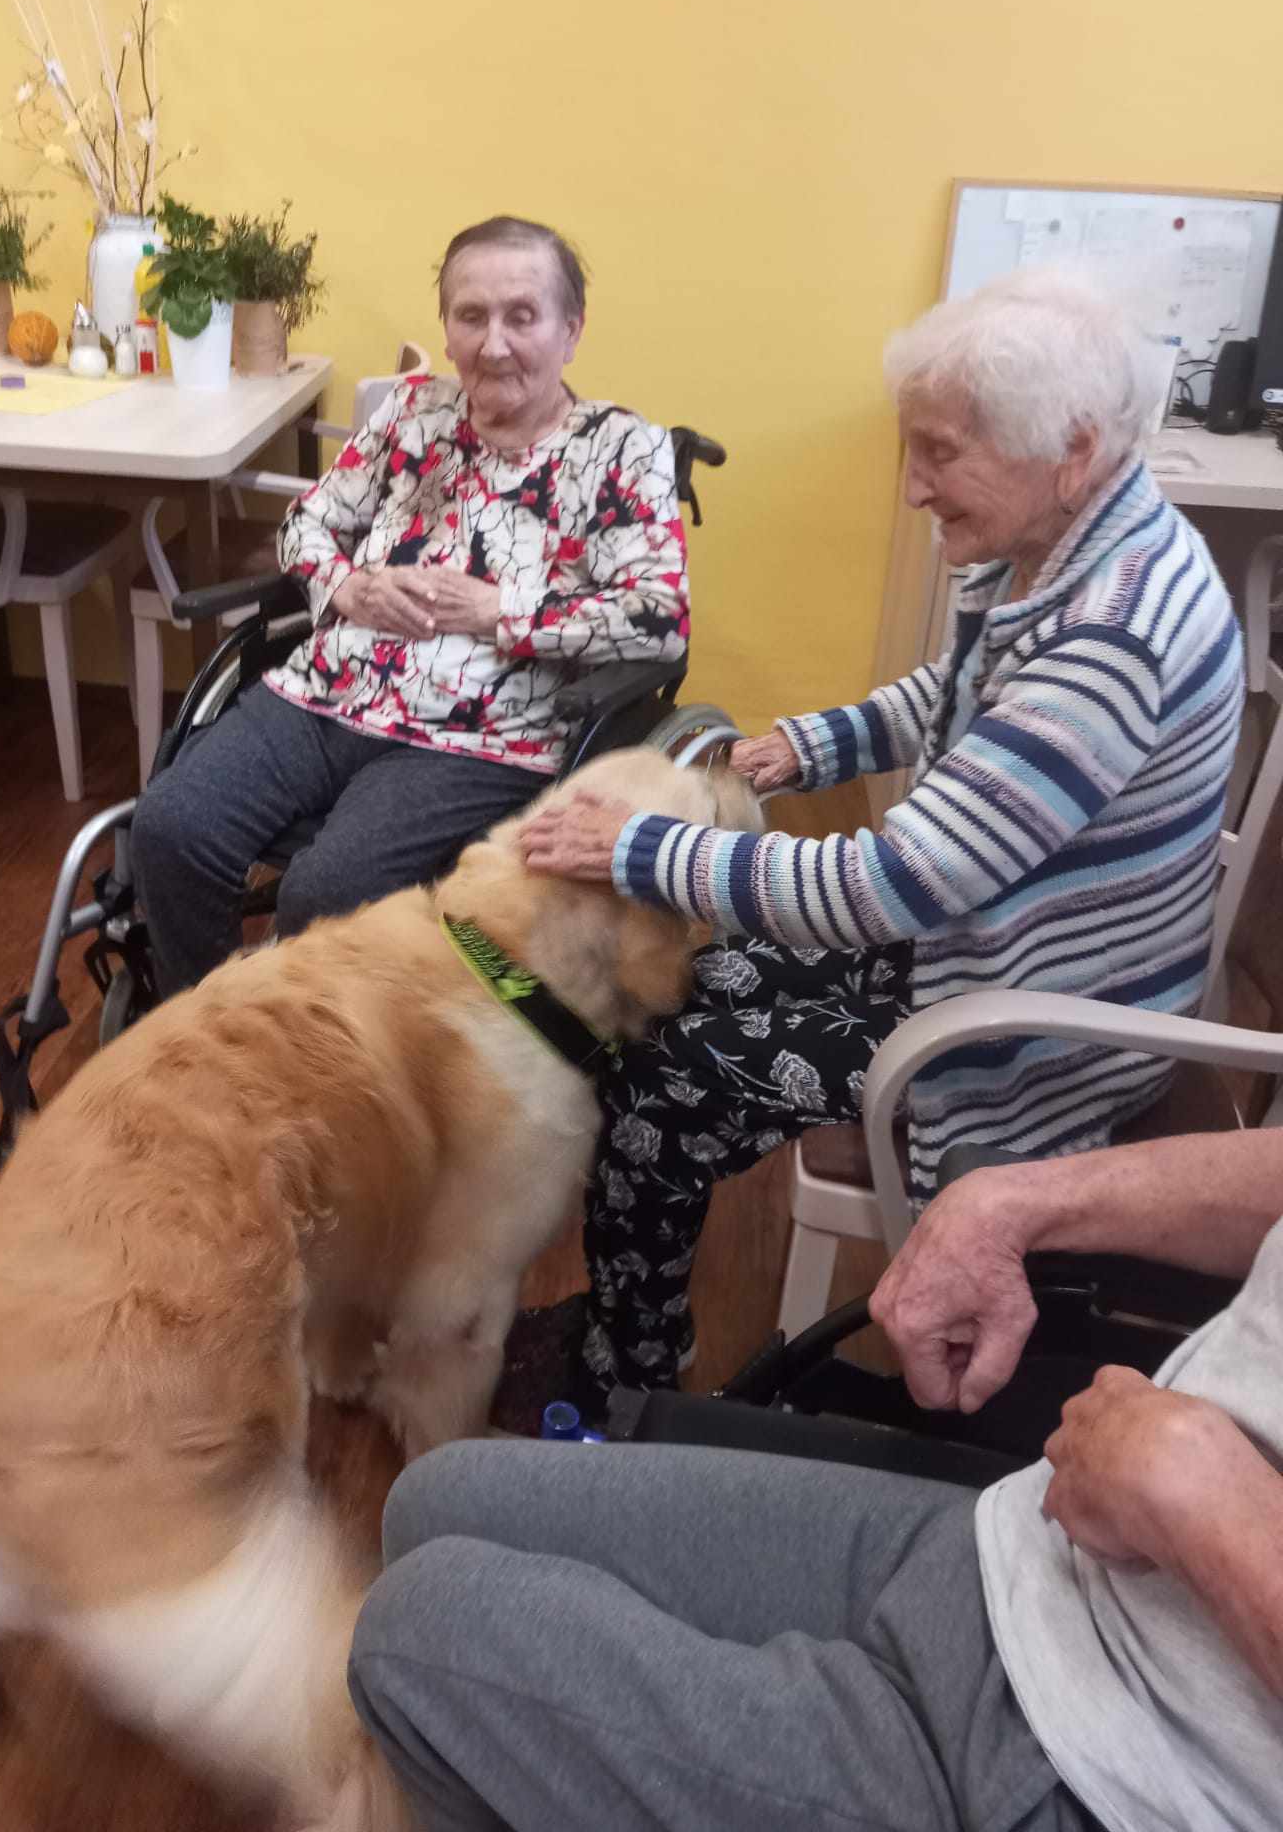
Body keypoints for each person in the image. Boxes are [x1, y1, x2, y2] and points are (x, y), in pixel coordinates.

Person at [509, 268, 1242, 1421]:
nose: (911, 488)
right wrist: (813, 745)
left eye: (940, 454)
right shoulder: (1075, 547)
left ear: (1071, 449)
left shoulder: (1113, 640)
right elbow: (959, 697)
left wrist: (642, 849)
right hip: (982, 950)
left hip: (1028, 1025)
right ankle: (628, 1329)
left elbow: (887, 884)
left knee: (657, 1083)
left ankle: (623, 1387)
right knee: (667, 991)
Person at [349, 1124, 1283, 1831]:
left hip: (1107, 1775)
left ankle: (630, 1345)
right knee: (437, 1501)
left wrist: (1213, 1509)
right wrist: (1019, 1199)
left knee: (410, 1639)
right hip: (1031, 1552)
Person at [131, 215, 690, 993]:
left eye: (522, 316)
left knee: (328, 892)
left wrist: (499, 611)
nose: (494, 344)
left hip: (477, 737)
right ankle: (204, 1025)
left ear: (571, 330)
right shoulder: (413, 414)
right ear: (448, 329)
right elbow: (306, 524)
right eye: (472, 316)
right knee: (169, 828)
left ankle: (308, 1049)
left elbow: (659, 619)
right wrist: (348, 585)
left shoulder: (622, 448)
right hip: (324, 693)